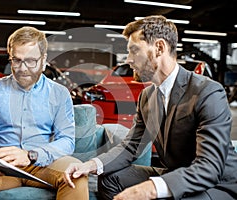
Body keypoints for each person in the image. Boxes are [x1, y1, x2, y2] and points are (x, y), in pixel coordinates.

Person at [64, 15, 237, 200]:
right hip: (173, 172)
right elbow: (130, 147)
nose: (128, 60)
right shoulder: (147, 96)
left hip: (215, 184)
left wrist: (151, 188)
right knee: (111, 178)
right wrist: (90, 165)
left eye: (134, 51)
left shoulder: (207, 92)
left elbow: (209, 167)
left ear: (159, 48)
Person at [0, 26, 88, 200]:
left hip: (43, 164)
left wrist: (31, 155)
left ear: (43, 59)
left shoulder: (60, 93)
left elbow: (67, 141)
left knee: (76, 174)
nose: (22, 68)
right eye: (16, 60)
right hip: (2, 166)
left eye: (31, 61)